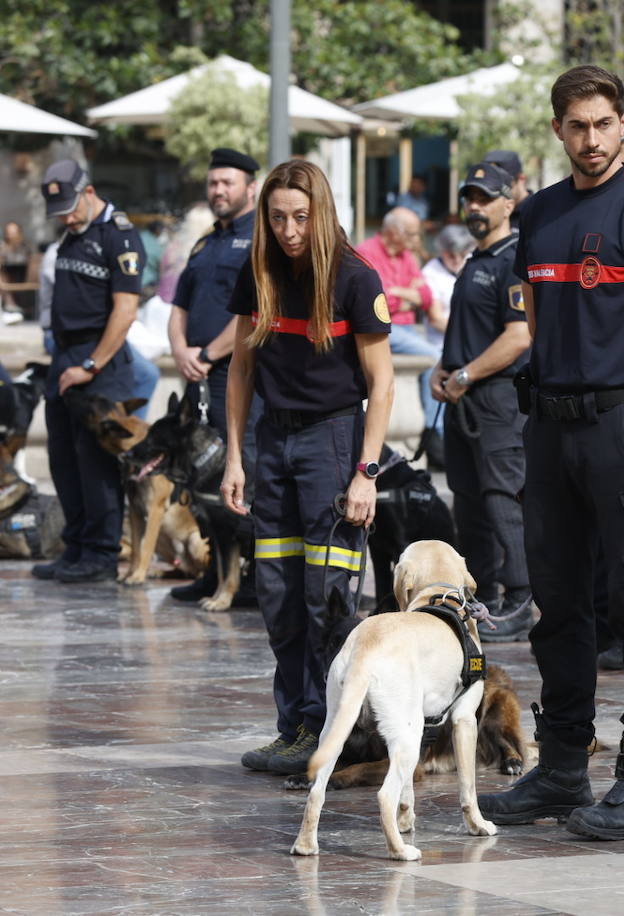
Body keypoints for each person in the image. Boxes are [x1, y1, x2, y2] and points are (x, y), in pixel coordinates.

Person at [476, 65, 624, 840]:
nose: (594, 139)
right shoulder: (536, 216)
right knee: (560, 607)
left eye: (606, 124)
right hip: (551, 429)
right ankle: (564, 767)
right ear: (558, 131)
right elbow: (537, 325)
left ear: (623, 123)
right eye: (578, 126)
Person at [223, 160, 394, 776]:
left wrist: (365, 473)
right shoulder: (259, 273)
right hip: (273, 444)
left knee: (328, 600)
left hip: (334, 445)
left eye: (300, 217)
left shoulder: (354, 275)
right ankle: (295, 727)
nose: (290, 230)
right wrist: (236, 457)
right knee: (278, 595)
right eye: (277, 218)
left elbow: (382, 381)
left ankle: (338, 734)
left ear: (320, 213)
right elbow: (240, 371)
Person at [430, 162, 534, 641]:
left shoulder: (514, 258)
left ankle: (519, 597)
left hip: (496, 399)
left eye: (484, 198)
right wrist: (443, 368)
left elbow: (520, 335)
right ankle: (484, 596)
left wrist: (467, 373)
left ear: (508, 204)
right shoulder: (475, 259)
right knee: (469, 501)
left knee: (503, 502)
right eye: (469, 198)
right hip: (462, 398)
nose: (474, 207)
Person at [32, 160, 145, 584]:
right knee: (62, 456)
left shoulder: (119, 235)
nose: (65, 215)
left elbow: (126, 310)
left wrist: (90, 365)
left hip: (101, 360)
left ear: (89, 190)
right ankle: (76, 545)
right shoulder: (71, 236)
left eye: (69, 205)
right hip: (65, 356)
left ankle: (101, 552)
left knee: (94, 460)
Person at [167, 147, 262, 605]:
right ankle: (213, 570)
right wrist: (180, 350)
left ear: (250, 187)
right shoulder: (205, 242)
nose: (218, 190)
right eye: (213, 183)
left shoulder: (260, 238)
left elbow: (255, 313)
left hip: (233, 375)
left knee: (235, 473)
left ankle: (247, 576)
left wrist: (206, 353)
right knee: (198, 480)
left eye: (228, 182)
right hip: (197, 375)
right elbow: (178, 305)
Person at [356, 207, 444, 454]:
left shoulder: (406, 256)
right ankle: (434, 431)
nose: (417, 240)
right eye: (413, 234)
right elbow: (376, 303)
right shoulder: (367, 253)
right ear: (394, 232)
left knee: (443, 353)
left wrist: (398, 293)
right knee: (434, 355)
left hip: (407, 329)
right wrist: (406, 295)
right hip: (384, 329)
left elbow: (426, 297)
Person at [421, 223, 475, 344]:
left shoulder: (472, 262)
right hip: (442, 343)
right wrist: (471, 334)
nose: (457, 260)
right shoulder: (430, 272)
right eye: (451, 255)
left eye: (462, 254)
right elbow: (436, 319)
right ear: (441, 251)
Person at [482, 150, 530, 229]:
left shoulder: (537, 211)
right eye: (490, 185)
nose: (496, 191)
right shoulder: (487, 211)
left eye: (504, 184)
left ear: (521, 178)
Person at [1, 220, 35, 321]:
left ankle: (25, 306)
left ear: (19, 233)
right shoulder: (3, 247)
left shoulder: (27, 247)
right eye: (9, 233)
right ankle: (10, 305)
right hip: (7, 278)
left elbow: (32, 260)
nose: (11, 236)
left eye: (13, 233)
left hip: (25, 277)